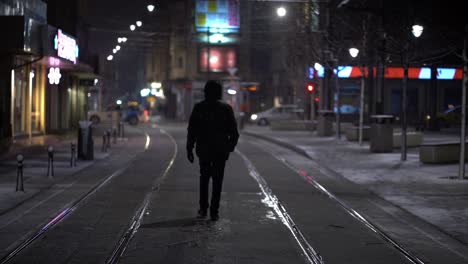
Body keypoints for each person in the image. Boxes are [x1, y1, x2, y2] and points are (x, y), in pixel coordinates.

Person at [186, 80, 239, 221]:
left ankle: (203, 209)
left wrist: (189, 149)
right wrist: (229, 147)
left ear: (206, 92)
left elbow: (192, 131)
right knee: (217, 181)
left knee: (204, 179)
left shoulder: (199, 108)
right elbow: (234, 132)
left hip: (204, 150)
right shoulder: (226, 109)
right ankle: (214, 211)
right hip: (220, 151)